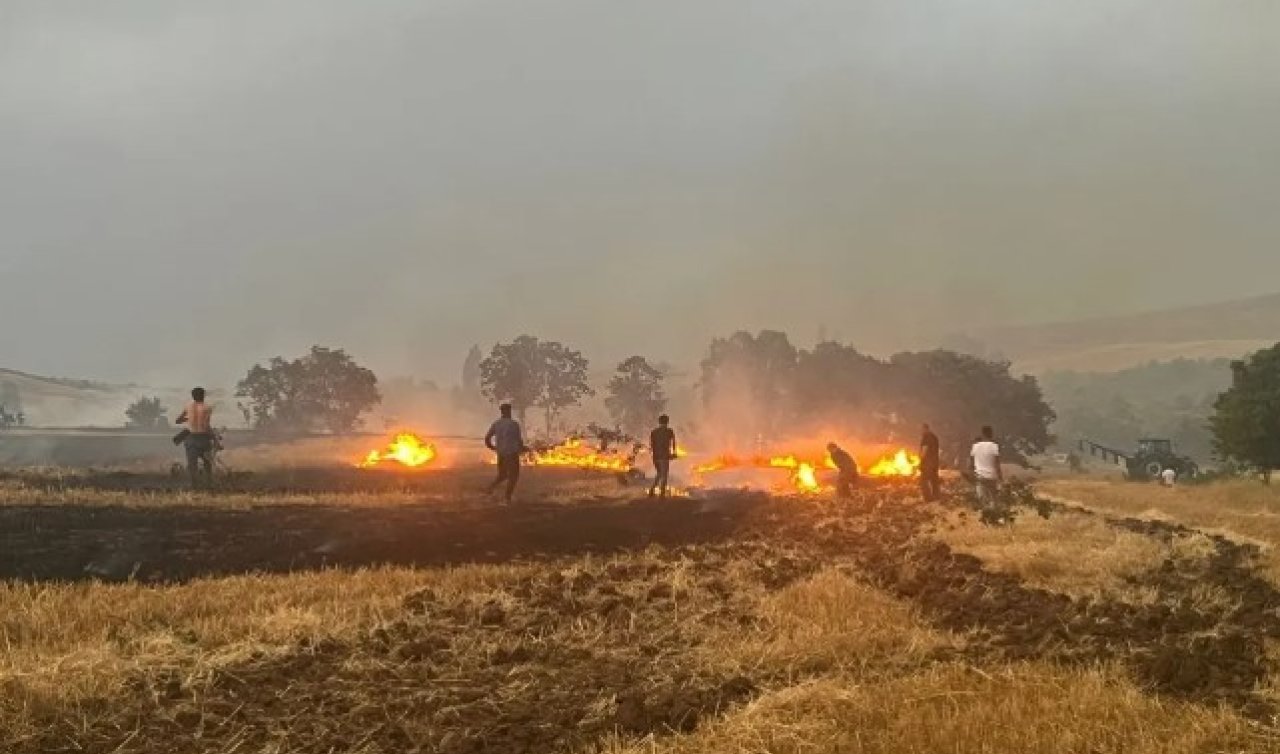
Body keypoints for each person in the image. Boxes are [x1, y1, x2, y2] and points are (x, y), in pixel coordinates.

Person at [485, 403, 526, 504]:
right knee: (514, 476)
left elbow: (487, 439)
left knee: (502, 475)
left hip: (501, 454)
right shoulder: (514, 424)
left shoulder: (496, 424)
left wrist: (493, 448)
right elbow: (518, 441)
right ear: (509, 411)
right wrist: (523, 448)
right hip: (511, 454)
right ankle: (507, 497)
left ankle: (489, 488)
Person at [175, 387, 214, 489]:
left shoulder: (188, 406)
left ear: (193, 396)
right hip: (203, 437)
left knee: (192, 464)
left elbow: (178, 420)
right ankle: (209, 484)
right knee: (207, 463)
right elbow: (206, 425)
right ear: (203, 395)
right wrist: (214, 438)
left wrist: (188, 418)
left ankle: (194, 486)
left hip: (191, 438)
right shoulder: (207, 408)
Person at [970, 426, 1002, 506]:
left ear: (982, 434)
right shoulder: (994, 446)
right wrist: (1000, 477)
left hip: (979, 476)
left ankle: (984, 511)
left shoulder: (975, 446)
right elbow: (997, 463)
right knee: (993, 500)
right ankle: (993, 511)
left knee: (982, 500)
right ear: (991, 434)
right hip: (992, 476)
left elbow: (971, 463)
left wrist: (972, 475)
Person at [648, 415, 677, 498]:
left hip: (655, 456)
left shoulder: (654, 432)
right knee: (664, 474)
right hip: (664, 456)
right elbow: (673, 443)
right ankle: (662, 493)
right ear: (667, 422)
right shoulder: (669, 431)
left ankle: (652, 490)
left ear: (659, 422)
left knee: (659, 473)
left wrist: (653, 454)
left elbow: (651, 445)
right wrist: (674, 453)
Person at [919, 423, 941, 502]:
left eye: (921, 429)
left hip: (928, 463)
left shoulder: (926, 437)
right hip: (935, 461)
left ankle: (928, 498)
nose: (921, 431)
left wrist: (921, 460)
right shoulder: (935, 437)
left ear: (925, 429)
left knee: (923, 480)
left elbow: (925, 450)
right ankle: (937, 496)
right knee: (934, 480)